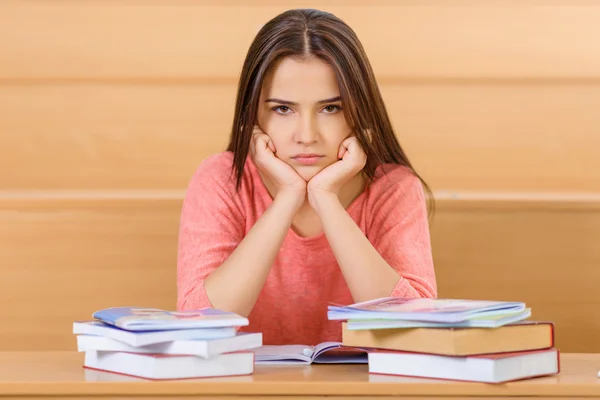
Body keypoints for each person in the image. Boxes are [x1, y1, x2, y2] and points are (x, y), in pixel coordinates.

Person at [177, 8, 437, 345]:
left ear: (359, 109)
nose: (307, 135)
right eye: (283, 109)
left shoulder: (394, 188)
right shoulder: (221, 179)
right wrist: (287, 197)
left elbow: (415, 330)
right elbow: (198, 325)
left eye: (331, 108)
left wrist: (326, 199)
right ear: (254, 114)